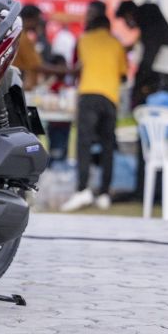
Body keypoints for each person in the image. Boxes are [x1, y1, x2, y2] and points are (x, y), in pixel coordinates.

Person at [61, 14, 127, 212]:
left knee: (84, 144)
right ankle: (105, 193)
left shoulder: (83, 40)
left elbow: (77, 69)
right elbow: (122, 75)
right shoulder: (117, 44)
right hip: (110, 98)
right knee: (108, 146)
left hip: (88, 95)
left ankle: (82, 189)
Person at [115, 1, 168, 110]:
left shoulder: (149, 21)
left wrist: (142, 79)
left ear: (129, 14)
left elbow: (151, 53)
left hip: (167, 78)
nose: (127, 24)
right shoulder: (150, 22)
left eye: (126, 19)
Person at [12, 4, 70, 89]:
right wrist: (66, 70)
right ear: (30, 19)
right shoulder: (23, 38)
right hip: (23, 86)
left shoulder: (19, 35)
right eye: (38, 20)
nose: (39, 23)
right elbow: (36, 66)